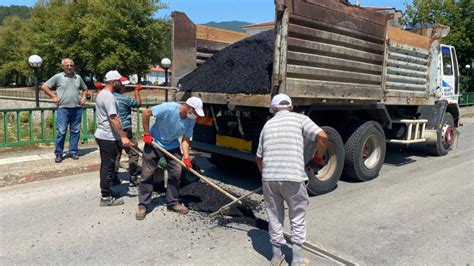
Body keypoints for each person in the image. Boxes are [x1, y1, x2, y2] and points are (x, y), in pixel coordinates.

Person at [255, 94, 328, 266]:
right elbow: (323, 137)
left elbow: (259, 158)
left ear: (273, 109)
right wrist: (318, 159)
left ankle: (276, 257)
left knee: (274, 217)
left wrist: (265, 176)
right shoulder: (300, 119)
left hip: (270, 178)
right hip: (293, 178)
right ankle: (296, 259)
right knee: (297, 217)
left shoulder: (267, 125)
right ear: (292, 107)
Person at [135, 96, 204, 220]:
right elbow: (146, 113)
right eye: (195, 112)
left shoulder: (191, 120)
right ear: (188, 107)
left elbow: (186, 140)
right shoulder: (168, 108)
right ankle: (143, 205)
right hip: (154, 143)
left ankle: (172, 203)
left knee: (176, 173)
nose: (195, 116)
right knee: (147, 174)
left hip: (172, 146)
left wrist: (186, 158)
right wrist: (146, 134)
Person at [94, 70, 134, 207]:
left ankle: (107, 191)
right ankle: (105, 197)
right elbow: (113, 118)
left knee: (106, 165)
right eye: (119, 81)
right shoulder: (109, 97)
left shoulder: (102, 94)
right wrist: (123, 136)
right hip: (108, 137)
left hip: (104, 135)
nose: (121, 83)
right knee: (108, 166)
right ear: (112, 82)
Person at [42, 58, 89, 163]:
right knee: (62, 132)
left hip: (77, 108)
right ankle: (59, 153)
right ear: (63, 66)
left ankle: (73, 151)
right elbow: (45, 87)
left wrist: (84, 97)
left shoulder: (78, 77)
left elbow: (85, 88)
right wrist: (53, 96)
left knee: (75, 131)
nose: (69, 67)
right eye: (67, 65)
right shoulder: (58, 77)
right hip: (63, 108)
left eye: (71, 65)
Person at [113, 77, 142, 187]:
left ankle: (114, 177)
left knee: (116, 154)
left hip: (113, 130)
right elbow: (138, 103)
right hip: (125, 130)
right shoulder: (125, 99)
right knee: (133, 153)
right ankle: (133, 177)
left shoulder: (108, 97)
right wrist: (136, 91)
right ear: (121, 87)